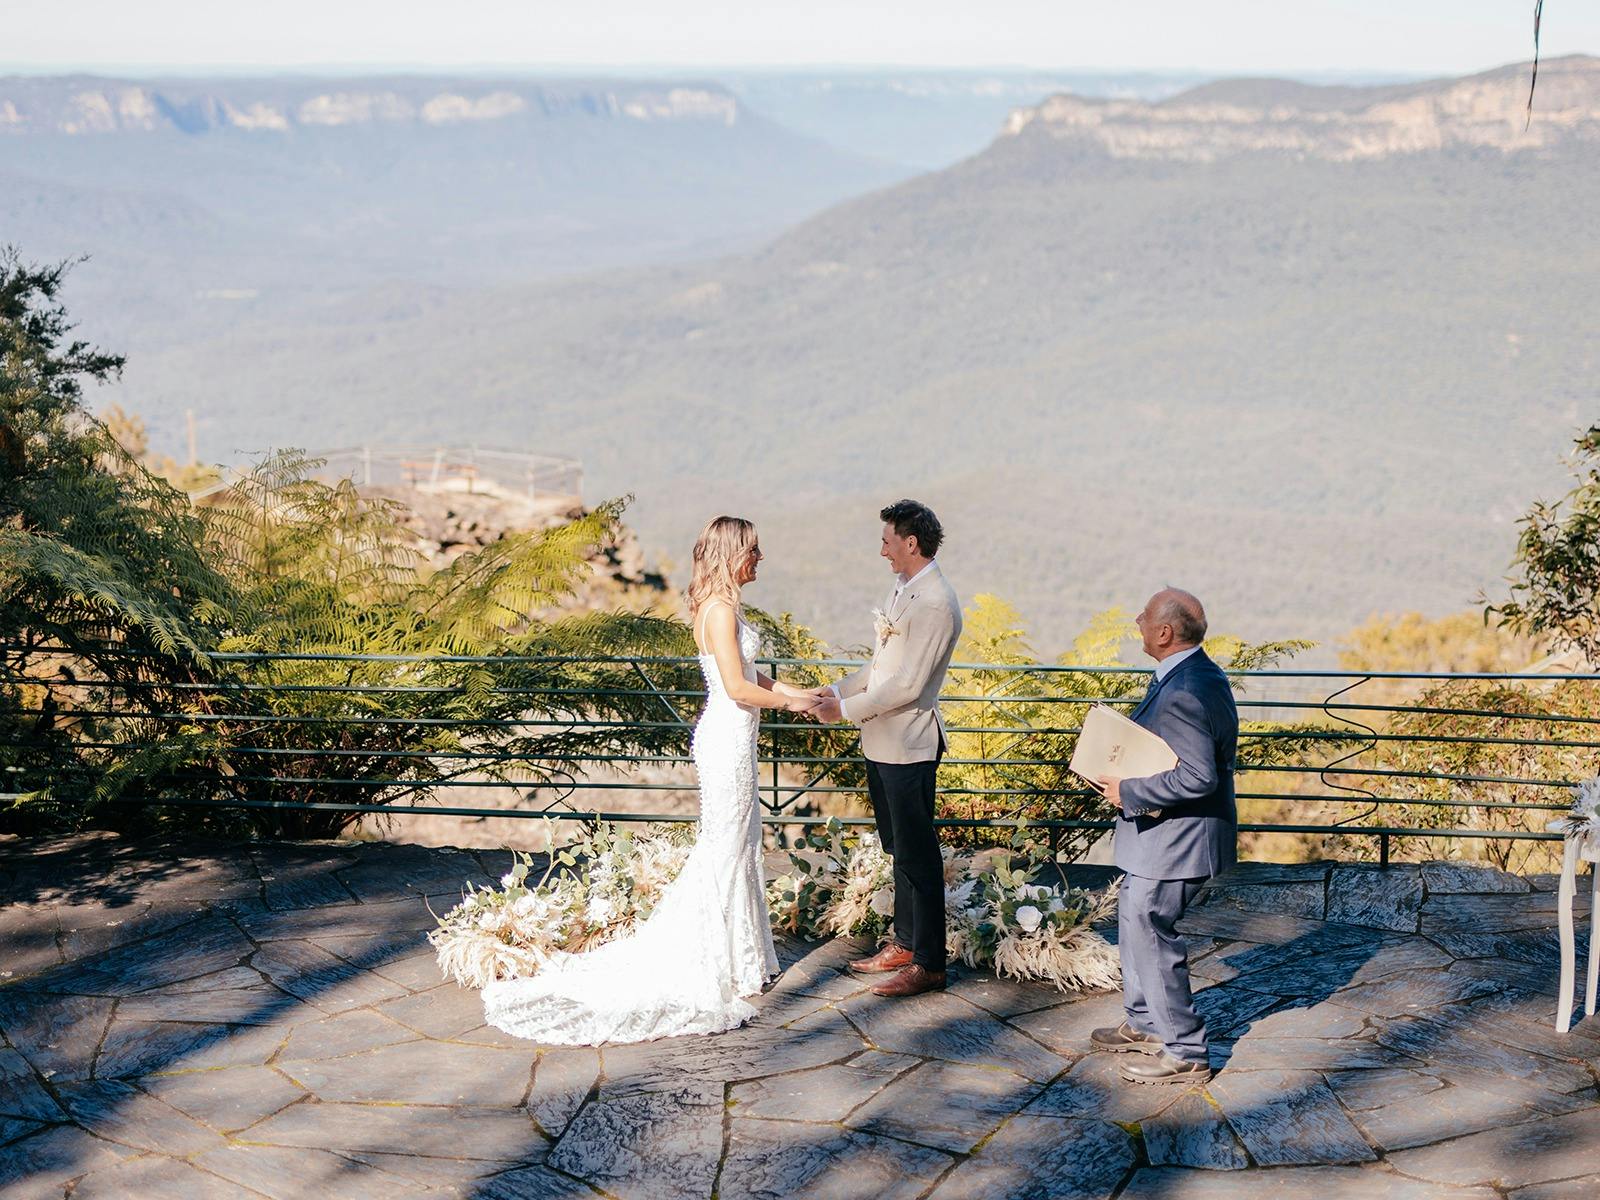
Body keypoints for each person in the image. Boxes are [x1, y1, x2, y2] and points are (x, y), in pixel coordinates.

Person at [480, 516, 818, 1044]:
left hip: (736, 737)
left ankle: (740, 957)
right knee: (725, 848)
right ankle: (717, 960)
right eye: (754, 549)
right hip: (726, 740)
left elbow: (755, 676)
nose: (761, 558)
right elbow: (736, 688)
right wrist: (789, 703)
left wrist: (801, 693)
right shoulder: (721, 610)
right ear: (734, 555)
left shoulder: (722, 607)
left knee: (741, 844)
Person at [809, 500, 962, 998]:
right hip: (882, 742)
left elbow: (909, 686)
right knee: (899, 849)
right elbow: (880, 671)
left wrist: (845, 712)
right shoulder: (905, 590)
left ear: (910, 543)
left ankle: (930, 964)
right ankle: (904, 942)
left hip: (910, 744)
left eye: (887, 541)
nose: (882, 551)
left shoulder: (937, 601)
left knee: (919, 856)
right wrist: (838, 690)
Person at [1091, 587, 1238, 1084]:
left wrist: (1128, 789)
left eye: (1144, 616)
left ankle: (1186, 1049)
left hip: (1175, 840)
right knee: (1134, 923)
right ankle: (1145, 1022)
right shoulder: (1194, 674)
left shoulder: (1184, 690)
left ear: (1164, 632)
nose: (1136, 619)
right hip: (1160, 838)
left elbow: (1199, 776)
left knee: (1151, 933)